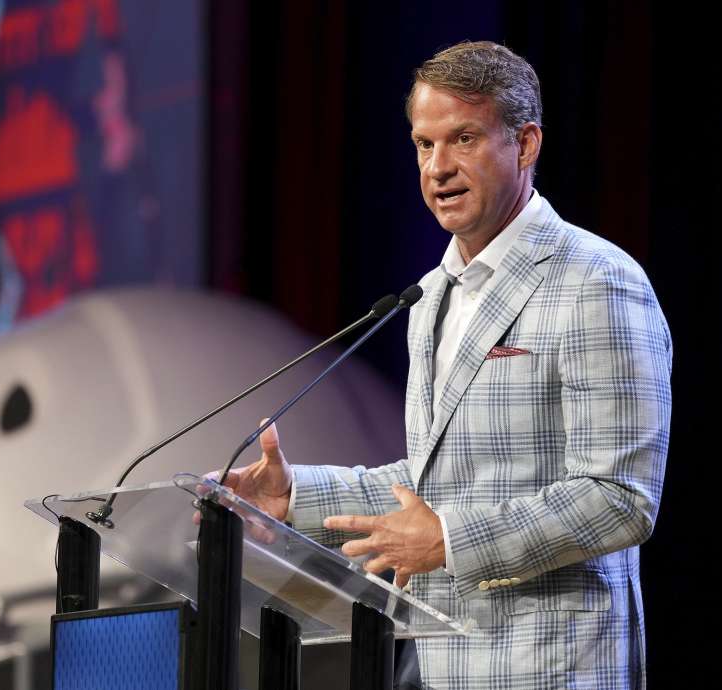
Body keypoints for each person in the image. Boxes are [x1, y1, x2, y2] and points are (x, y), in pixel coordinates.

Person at [222, 41, 672, 689]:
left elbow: (620, 498)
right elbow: (432, 484)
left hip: (553, 667)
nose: (438, 168)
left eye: (463, 139)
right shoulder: (432, 295)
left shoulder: (595, 281)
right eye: (423, 145)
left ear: (525, 145)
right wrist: (294, 497)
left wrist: (452, 541)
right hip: (443, 663)